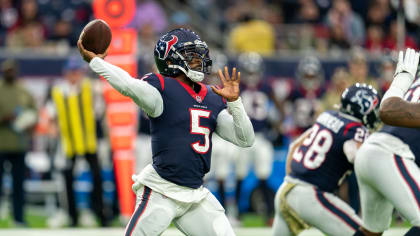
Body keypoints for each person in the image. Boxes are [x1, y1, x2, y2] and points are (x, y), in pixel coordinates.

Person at [77, 28, 254, 236]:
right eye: (191, 56)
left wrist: (235, 103)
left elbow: (245, 139)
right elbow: (128, 85)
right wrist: (97, 62)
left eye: (199, 56)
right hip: (161, 191)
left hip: (196, 195)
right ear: (170, 60)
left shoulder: (211, 96)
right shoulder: (161, 88)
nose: (199, 61)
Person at [272, 83, 381, 236]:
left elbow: (294, 146)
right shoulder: (355, 130)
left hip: (286, 189)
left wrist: (293, 178)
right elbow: (355, 156)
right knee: (366, 234)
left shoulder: (326, 116)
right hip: (312, 196)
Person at [354, 48, 420, 236]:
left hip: (376, 153)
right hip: (390, 154)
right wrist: (402, 79)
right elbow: (389, 110)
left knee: (371, 231)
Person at [48, 57, 108, 227]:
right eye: (72, 72)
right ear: (66, 73)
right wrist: (53, 129)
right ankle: (72, 216)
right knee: (67, 179)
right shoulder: (58, 91)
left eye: (77, 72)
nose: (74, 75)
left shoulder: (91, 88)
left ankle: (100, 214)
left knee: (97, 178)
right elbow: (50, 116)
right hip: (69, 143)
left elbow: (100, 112)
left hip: (90, 141)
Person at [0, 59, 37, 226]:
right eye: (7, 70)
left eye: (12, 70)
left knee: (19, 184)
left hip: (19, 145)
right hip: (1, 144)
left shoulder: (24, 91)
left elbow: (34, 114)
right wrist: (6, 118)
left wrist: (29, 123)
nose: (10, 73)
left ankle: (19, 218)